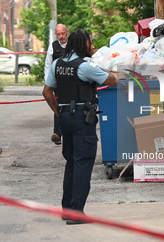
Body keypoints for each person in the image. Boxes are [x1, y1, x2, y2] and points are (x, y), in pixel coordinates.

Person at [42, 29, 117, 224]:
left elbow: (47, 91)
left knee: (72, 164)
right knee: (83, 163)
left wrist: (58, 112)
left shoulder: (58, 64)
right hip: (82, 118)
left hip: (65, 118)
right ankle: (76, 213)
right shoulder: (84, 66)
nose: (91, 46)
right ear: (81, 44)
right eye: (89, 42)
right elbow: (112, 80)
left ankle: (67, 209)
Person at [44, 24, 69, 145]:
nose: (61, 36)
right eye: (58, 34)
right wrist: (48, 82)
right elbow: (48, 65)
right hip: (58, 82)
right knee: (57, 106)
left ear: (67, 32)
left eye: (63, 33)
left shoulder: (73, 45)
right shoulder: (53, 46)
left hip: (71, 81)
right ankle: (57, 134)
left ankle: (69, 133)